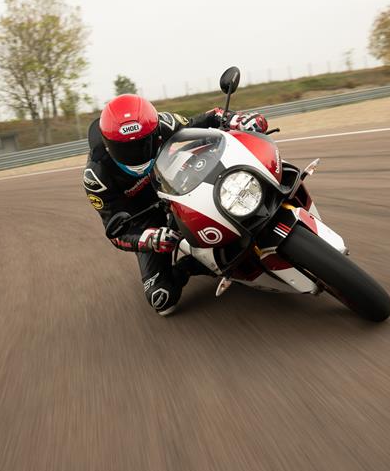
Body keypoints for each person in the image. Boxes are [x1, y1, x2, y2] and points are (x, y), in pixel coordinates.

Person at [84, 94, 268, 316]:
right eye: (126, 150)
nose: (138, 153)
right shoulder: (96, 177)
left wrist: (236, 119)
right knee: (162, 299)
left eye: (145, 143)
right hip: (145, 218)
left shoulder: (163, 122)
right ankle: (189, 266)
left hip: (177, 186)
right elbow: (115, 231)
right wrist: (147, 238)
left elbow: (207, 118)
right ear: (107, 145)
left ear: (154, 131)